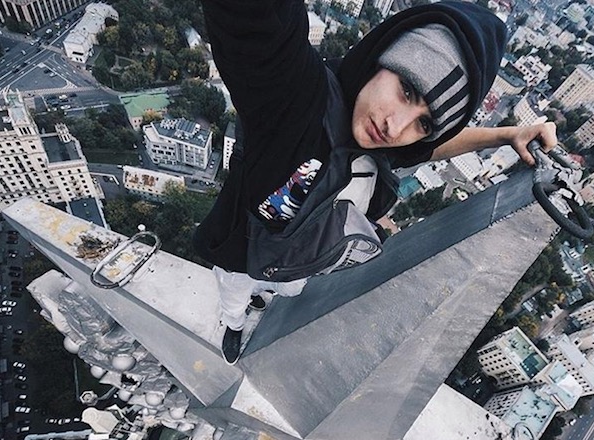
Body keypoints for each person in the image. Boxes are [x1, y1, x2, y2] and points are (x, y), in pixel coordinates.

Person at [194, 0, 558, 365]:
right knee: (235, 290)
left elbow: (431, 149)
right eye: (407, 91)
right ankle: (234, 323)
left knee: (285, 289)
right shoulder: (297, 100)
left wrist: (506, 135)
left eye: (424, 123)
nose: (395, 127)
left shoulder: (385, 146)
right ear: (381, 57)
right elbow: (257, 23)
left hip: (301, 259)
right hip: (243, 248)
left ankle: (263, 296)